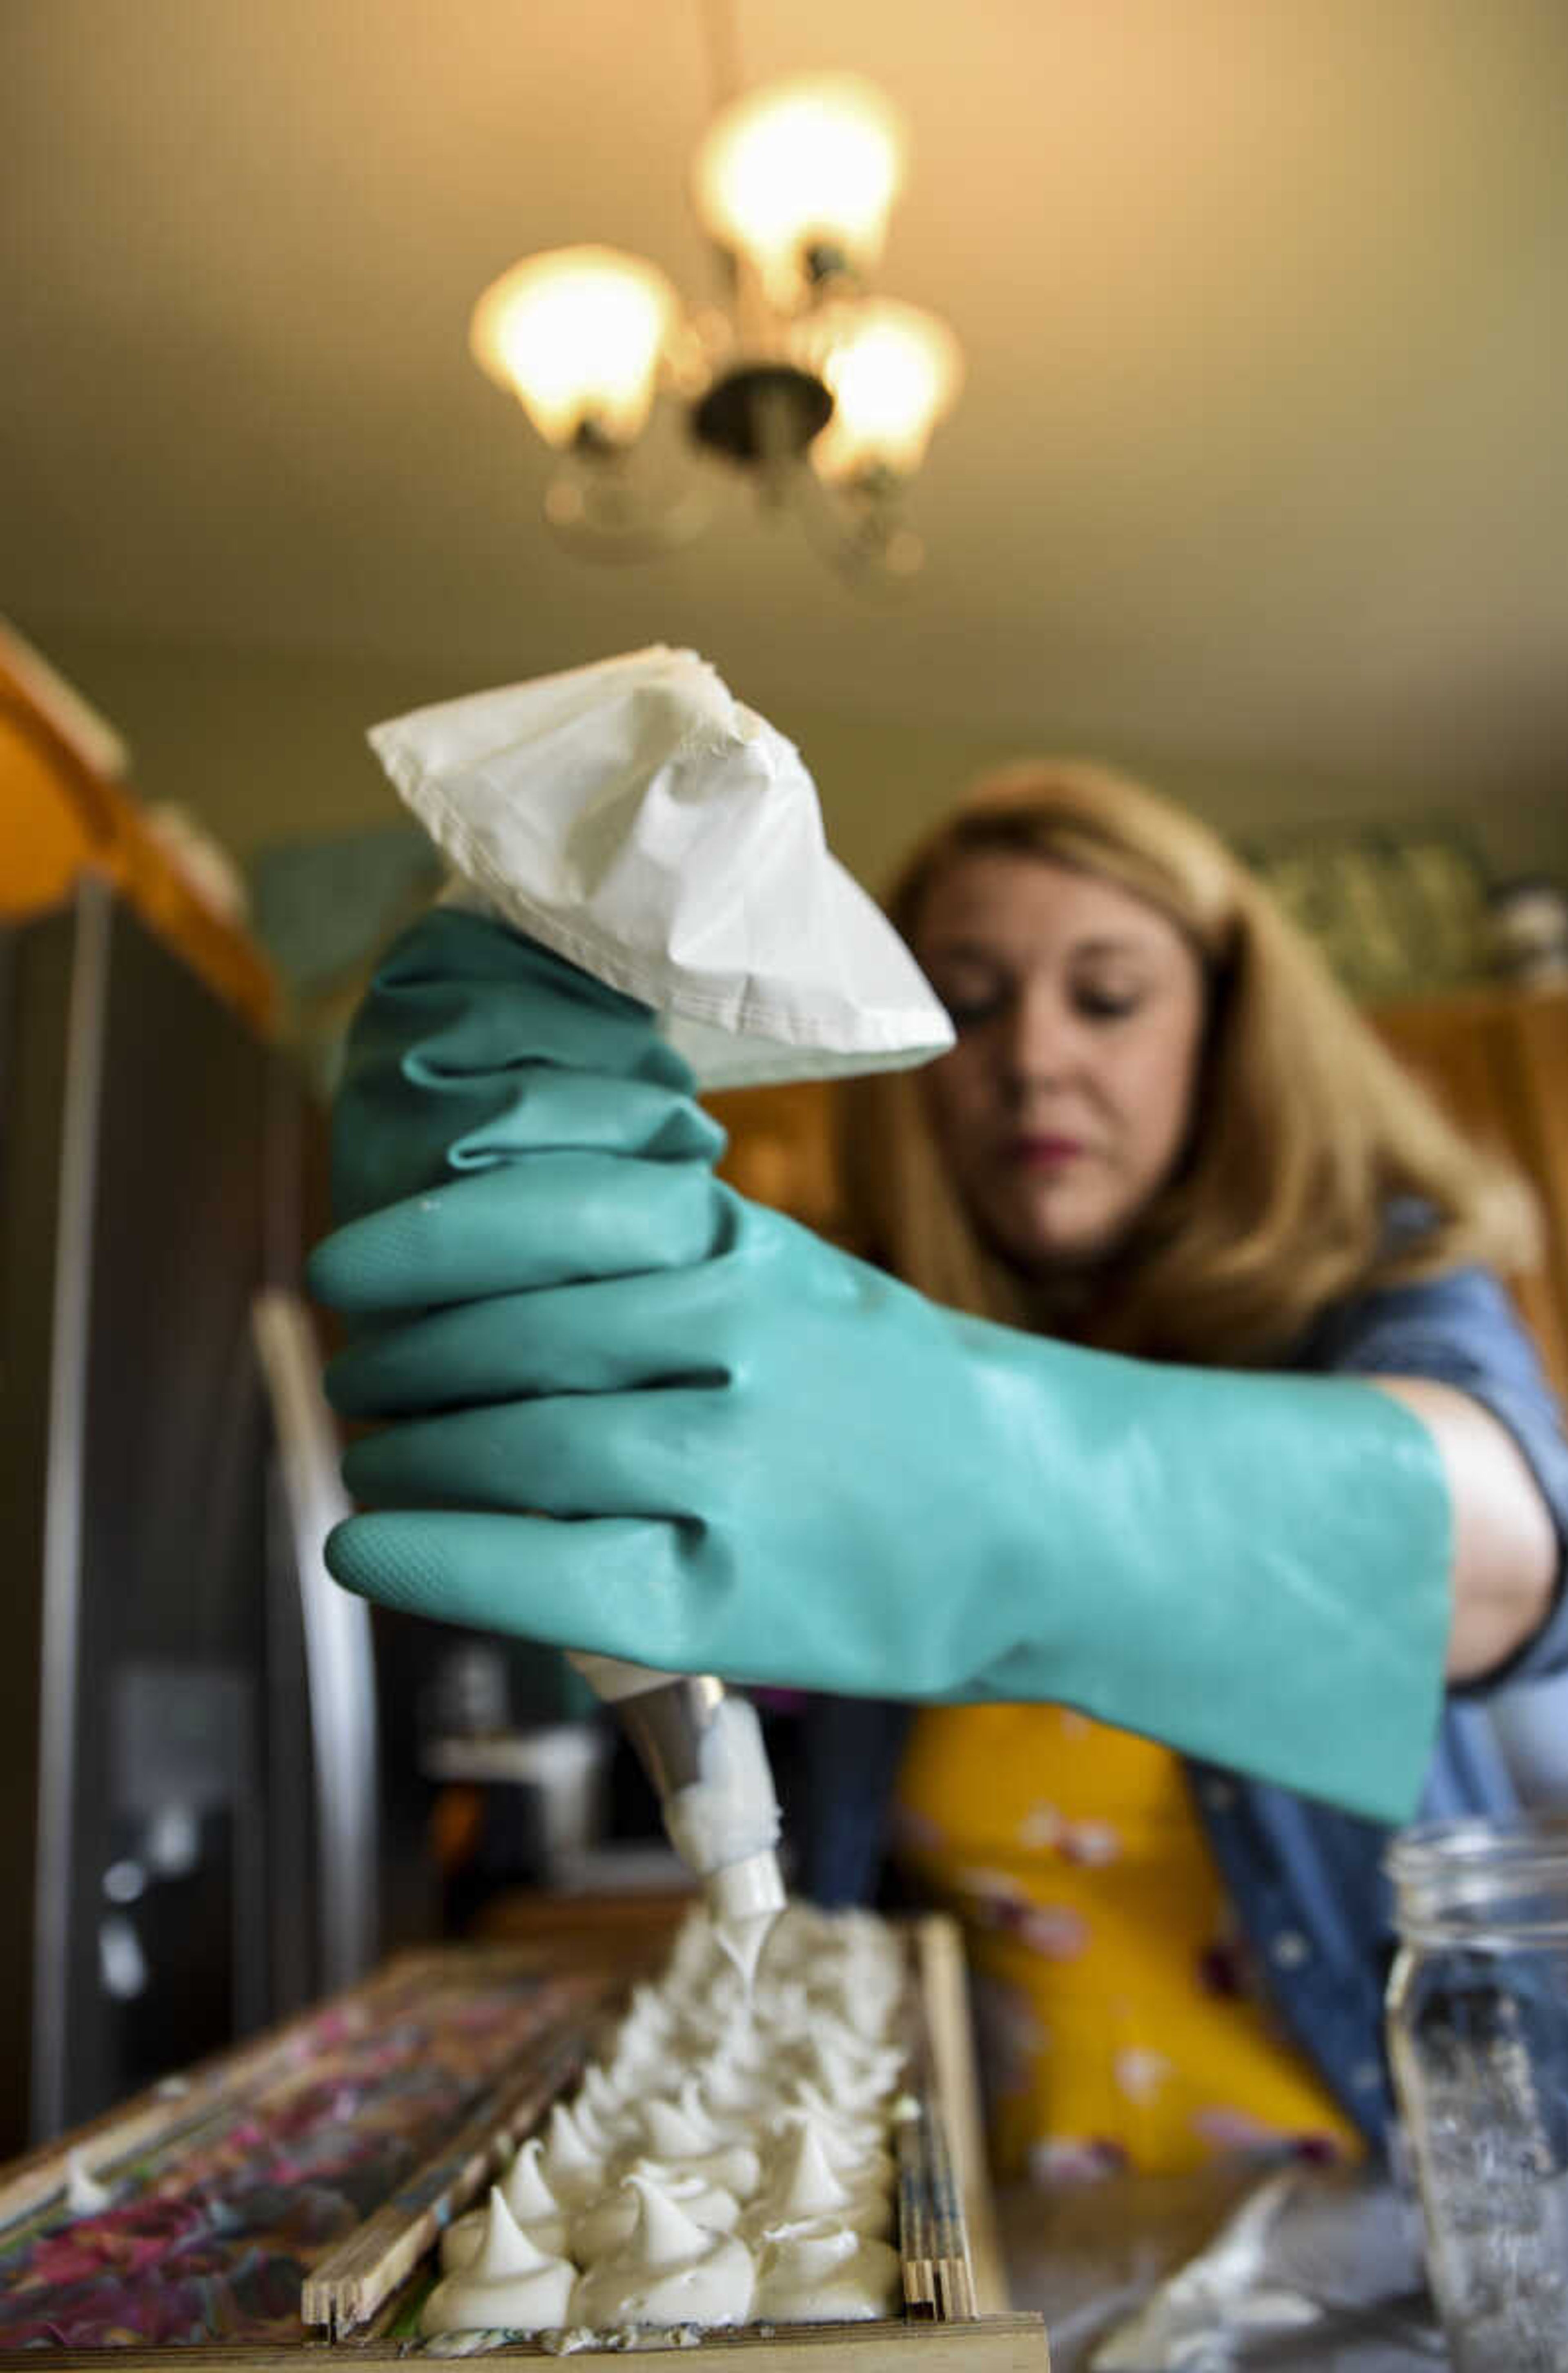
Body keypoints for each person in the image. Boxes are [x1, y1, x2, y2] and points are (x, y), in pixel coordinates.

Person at [306, 759, 1568, 2182]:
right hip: (990, 2240)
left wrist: (1000, 1463)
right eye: (967, 998)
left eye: (1107, 997)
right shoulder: (835, 1321)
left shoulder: (1378, 1288)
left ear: (1226, 1034)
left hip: (1401, 2220)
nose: (1034, 1057)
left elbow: (1514, 1538)